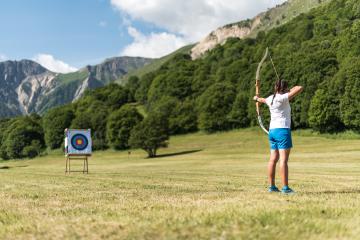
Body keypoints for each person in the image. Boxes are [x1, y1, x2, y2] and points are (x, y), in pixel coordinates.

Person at [253, 80, 303, 194]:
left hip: (272, 131)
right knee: (283, 160)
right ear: (284, 89)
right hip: (282, 130)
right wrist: (288, 90)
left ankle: (272, 187)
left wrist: (256, 98)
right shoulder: (283, 98)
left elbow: (260, 99)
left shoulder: (270, 98)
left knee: (273, 159)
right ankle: (285, 188)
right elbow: (300, 87)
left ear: (275, 87)